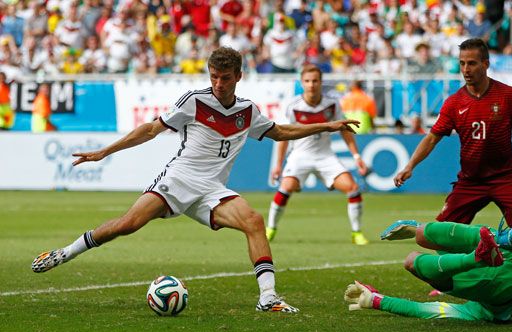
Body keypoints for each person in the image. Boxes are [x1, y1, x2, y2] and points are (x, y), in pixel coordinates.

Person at [31, 47, 361, 313]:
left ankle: (268, 298)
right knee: (128, 224)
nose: (218, 83)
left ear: (239, 77)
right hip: (179, 179)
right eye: (214, 76)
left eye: (225, 77)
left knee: (254, 221)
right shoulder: (195, 101)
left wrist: (327, 126)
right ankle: (65, 252)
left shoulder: (248, 111)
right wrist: (105, 151)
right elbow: (149, 129)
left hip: (212, 190)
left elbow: (281, 132)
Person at [393, 38, 512, 299]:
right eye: (462, 64)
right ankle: (452, 275)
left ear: (486, 64)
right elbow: (432, 136)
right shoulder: (454, 103)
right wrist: (410, 166)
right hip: (470, 182)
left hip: (506, 178)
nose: (466, 69)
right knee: (437, 235)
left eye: (472, 63)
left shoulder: (508, 95)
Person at [345, 219, 512, 322]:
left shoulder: (480, 312)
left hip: (500, 292)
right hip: (511, 260)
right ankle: (417, 229)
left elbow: (424, 309)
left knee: (416, 258)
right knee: (414, 257)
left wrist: (376, 301)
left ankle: (477, 256)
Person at [266, 65, 370, 245]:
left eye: (315, 81)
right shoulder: (293, 106)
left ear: (321, 82)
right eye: (307, 81)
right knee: (285, 188)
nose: (311, 85)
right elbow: (282, 135)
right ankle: (271, 229)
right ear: (302, 83)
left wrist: (356, 157)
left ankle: (357, 233)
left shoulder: (332, 105)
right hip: (300, 155)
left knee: (352, 188)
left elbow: (345, 130)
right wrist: (278, 165)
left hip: (325, 156)